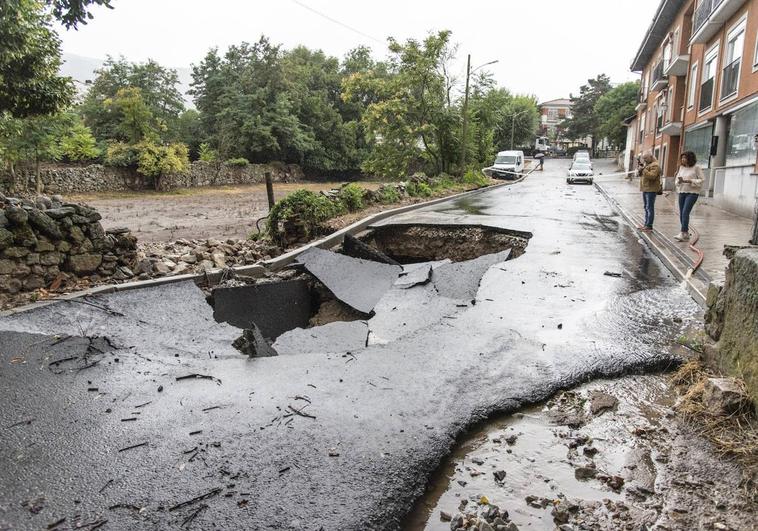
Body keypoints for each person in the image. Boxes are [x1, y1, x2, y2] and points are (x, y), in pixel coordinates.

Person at [674, 151, 704, 241]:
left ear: (690, 158)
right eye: (682, 158)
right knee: (681, 212)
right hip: (682, 192)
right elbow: (676, 182)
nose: (683, 159)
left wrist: (691, 181)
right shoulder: (681, 168)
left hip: (692, 193)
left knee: (685, 212)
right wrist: (679, 181)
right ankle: (685, 233)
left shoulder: (696, 168)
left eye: (685, 158)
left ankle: (683, 232)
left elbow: (702, 180)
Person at [637, 152, 662, 232]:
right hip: (645, 189)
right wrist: (640, 170)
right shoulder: (647, 165)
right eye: (643, 158)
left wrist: (643, 170)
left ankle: (649, 226)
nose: (644, 160)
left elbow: (652, 176)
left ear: (651, 157)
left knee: (649, 207)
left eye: (646, 158)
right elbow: (642, 175)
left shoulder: (655, 165)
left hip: (651, 189)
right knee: (646, 207)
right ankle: (646, 224)